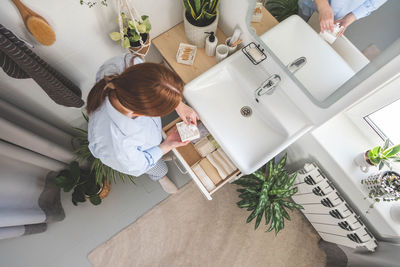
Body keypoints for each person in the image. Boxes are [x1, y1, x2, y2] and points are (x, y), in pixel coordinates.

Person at [86, 53, 199, 194]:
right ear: (142, 113)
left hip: (147, 138)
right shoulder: (118, 146)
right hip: (141, 156)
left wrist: (178, 104)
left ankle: (161, 155)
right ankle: (161, 177)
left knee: (158, 151)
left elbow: (154, 85)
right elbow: (141, 165)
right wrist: (167, 145)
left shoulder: (127, 63)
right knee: (155, 166)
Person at [298, 0, 387, 36]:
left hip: (341, 14)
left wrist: (348, 19)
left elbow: (372, 3)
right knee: (301, 24)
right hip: (312, 3)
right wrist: (323, 6)